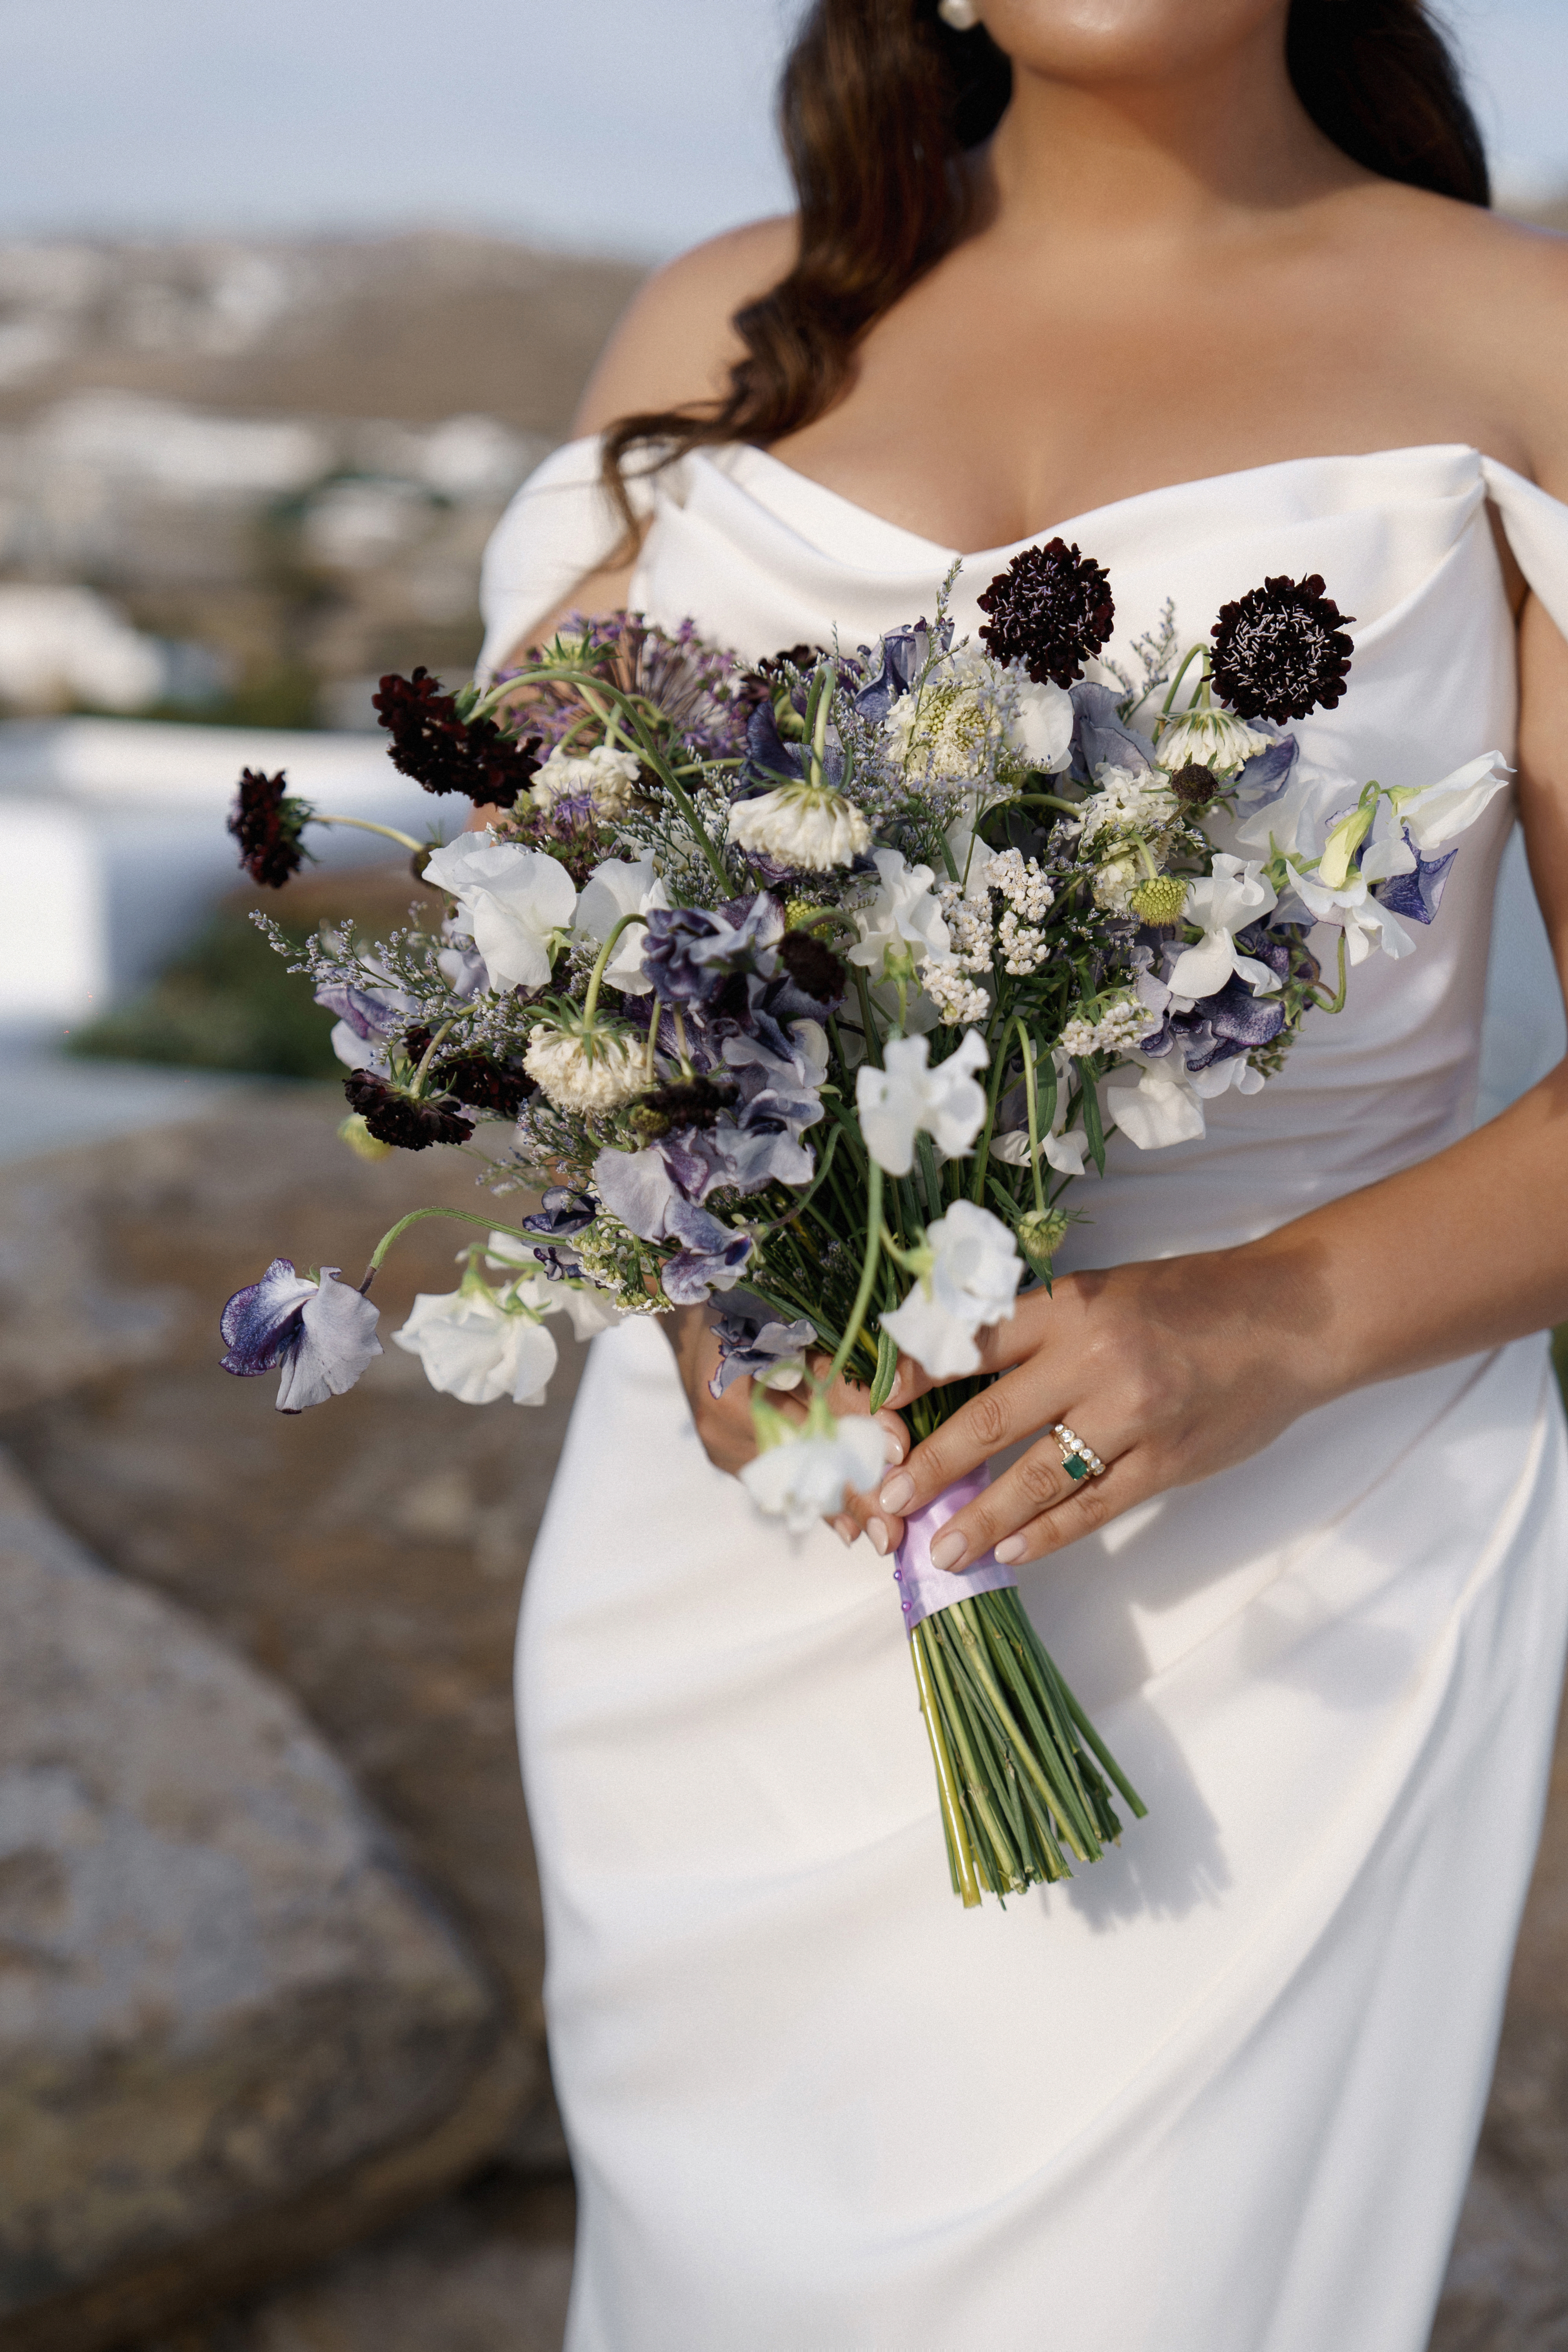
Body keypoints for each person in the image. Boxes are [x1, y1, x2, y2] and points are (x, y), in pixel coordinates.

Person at [478, 4, 1568, 2344]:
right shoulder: (727, 321)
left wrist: (1270, 1324)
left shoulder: (1526, 341)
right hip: (744, 1573)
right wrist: (708, 1271)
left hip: (1287, 1585)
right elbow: (541, 928)